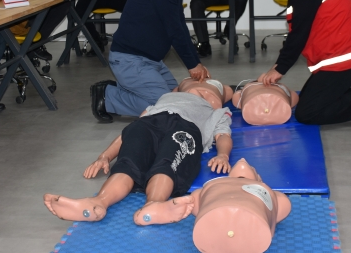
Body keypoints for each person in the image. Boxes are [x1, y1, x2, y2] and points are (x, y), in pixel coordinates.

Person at [43, 90, 233, 224]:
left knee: (167, 162)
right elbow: (128, 135)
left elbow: (223, 136)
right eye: (191, 86)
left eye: (211, 91)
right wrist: (105, 157)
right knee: (128, 161)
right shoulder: (156, 105)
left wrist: (223, 155)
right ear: (176, 91)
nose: (200, 90)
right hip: (151, 122)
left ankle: (155, 204)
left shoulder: (217, 112)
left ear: (218, 100)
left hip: (186, 127)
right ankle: (98, 203)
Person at [90, 0, 211, 122]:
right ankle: (108, 97)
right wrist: (193, 64)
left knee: (178, 96)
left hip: (150, 60)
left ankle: (124, 89)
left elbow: (179, 24)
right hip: (130, 60)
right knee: (169, 108)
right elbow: (174, 29)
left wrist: (194, 60)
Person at [134, 158, 291, 253]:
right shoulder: (266, 189)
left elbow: (194, 200)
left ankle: (155, 212)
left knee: (193, 201)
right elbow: (283, 205)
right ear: (258, 178)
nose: (242, 161)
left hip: (213, 203)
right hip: (249, 213)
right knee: (196, 201)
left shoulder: (214, 183)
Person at [231, 81, 298, 126]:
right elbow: (294, 96)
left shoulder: (249, 86)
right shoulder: (280, 85)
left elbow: (236, 98)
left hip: (251, 98)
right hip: (280, 94)